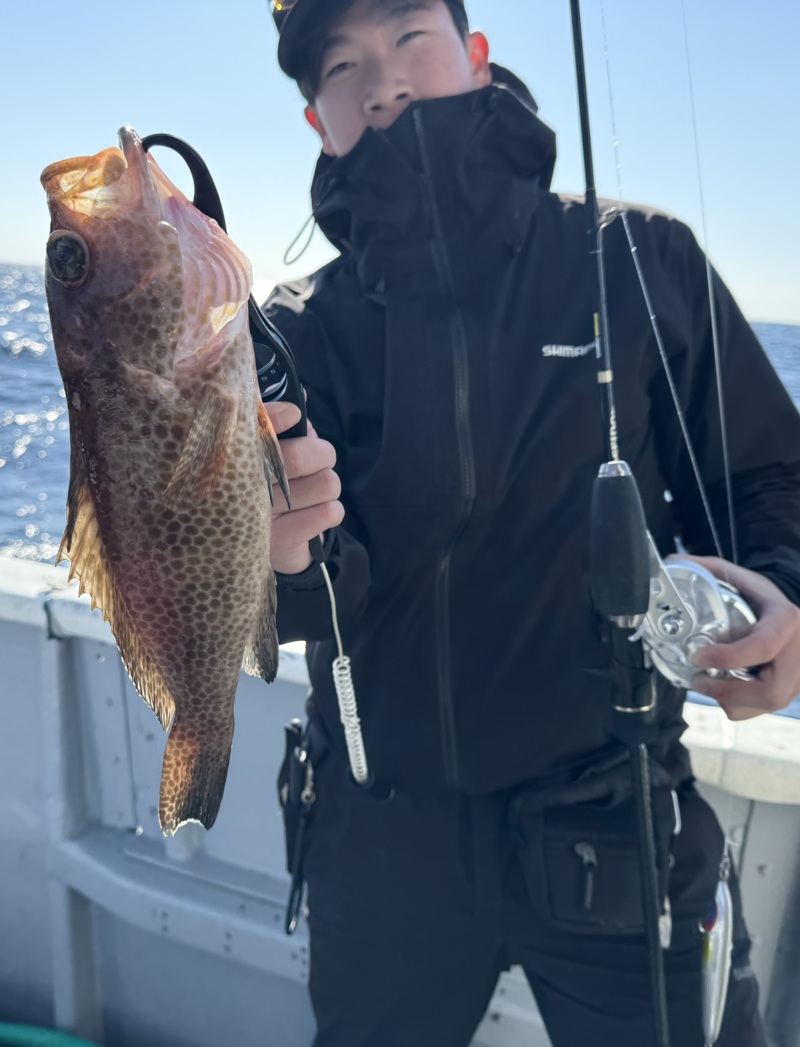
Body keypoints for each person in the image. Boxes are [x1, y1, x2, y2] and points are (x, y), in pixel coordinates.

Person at [260, 1, 800, 1044]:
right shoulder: (290, 332)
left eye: (408, 36)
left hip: (616, 813)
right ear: (314, 121)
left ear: (473, 55)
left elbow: (769, 479)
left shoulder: (641, 257)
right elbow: (270, 592)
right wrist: (276, 560)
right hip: (380, 836)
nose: (380, 81)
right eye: (339, 65)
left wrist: (782, 587)